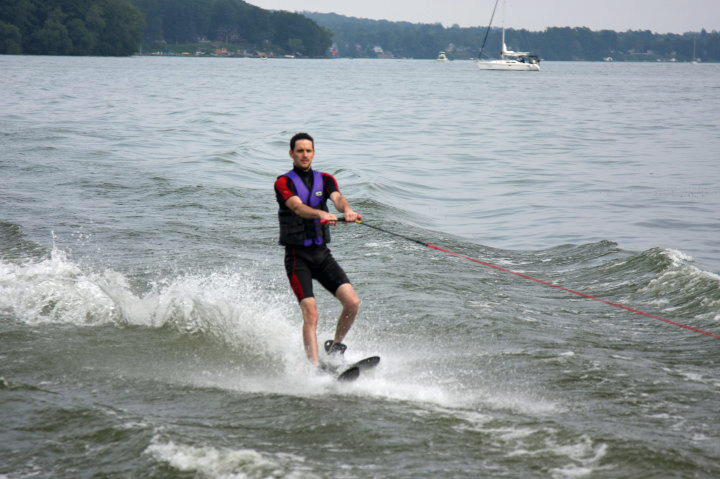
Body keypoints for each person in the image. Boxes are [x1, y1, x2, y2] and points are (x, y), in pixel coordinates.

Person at [274, 132, 361, 368]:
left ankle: (335, 348)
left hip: (321, 254)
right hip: (297, 258)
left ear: (314, 153)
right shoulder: (284, 182)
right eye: (300, 151)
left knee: (352, 303)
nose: (304, 155)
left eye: (308, 150)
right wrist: (320, 213)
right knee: (311, 313)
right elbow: (297, 207)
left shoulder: (326, 179)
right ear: (291, 153)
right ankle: (314, 369)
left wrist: (348, 210)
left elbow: (338, 199)